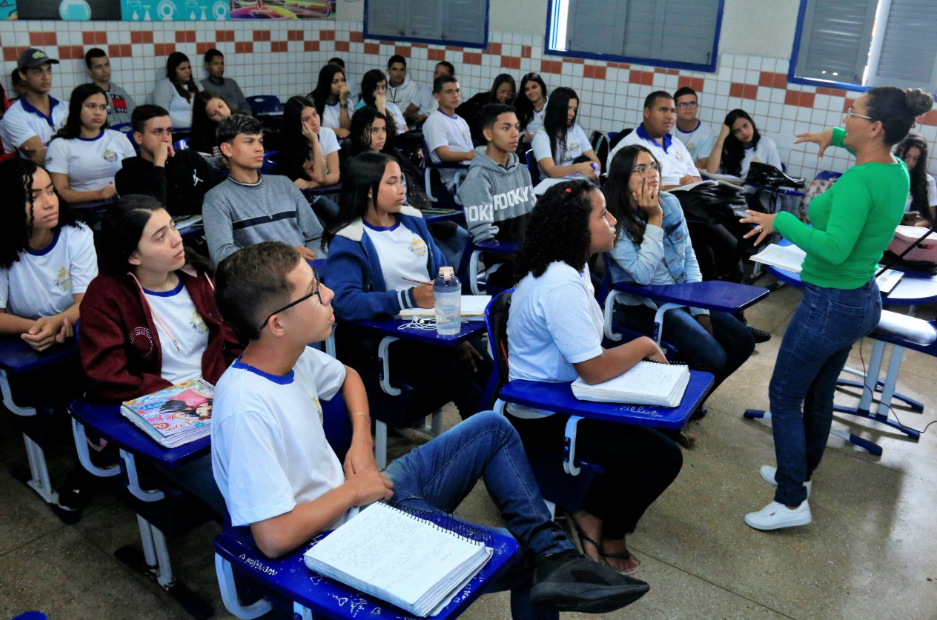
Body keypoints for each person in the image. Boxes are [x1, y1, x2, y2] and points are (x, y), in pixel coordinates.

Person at [211, 240, 650, 618]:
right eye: (313, 291)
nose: (329, 293)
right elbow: (273, 538)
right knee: (521, 557)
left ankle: (555, 553)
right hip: (336, 541)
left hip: (362, 501)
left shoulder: (292, 354)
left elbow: (349, 376)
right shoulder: (245, 407)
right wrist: (353, 492)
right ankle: (550, 557)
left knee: (491, 426)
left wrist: (361, 442)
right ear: (277, 324)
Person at [740, 87, 934, 531]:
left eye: (853, 113)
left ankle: (791, 501)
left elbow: (833, 248)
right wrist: (835, 136)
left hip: (829, 305)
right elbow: (865, 147)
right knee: (818, 393)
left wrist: (781, 221)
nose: (845, 118)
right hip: (859, 299)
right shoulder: (896, 171)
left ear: (876, 127)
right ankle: (801, 475)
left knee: (784, 396)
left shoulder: (859, 182)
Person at [507, 180, 682, 576]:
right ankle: (604, 525)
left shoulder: (574, 265)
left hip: (568, 393)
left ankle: (588, 505)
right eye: (602, 214)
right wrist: (642, 345)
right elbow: (594, 368)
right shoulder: (559, 283)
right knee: (663, 458)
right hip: (545, 412)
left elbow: (590, 354)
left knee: (661, 433)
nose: (614, 221)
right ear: (576, 228)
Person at [79, 195, 242, 516]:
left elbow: (232, 344)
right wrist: (187, 400)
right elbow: (107, 376)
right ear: (133, 256)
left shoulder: (198, 276)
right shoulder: (106, 296)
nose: (177, 239)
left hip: (220, 402)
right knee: (241, 498)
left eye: (173, 227)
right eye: (160, 236)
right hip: (166, 417)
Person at [325, 151, 489, 418]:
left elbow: (441, 272)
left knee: (490, 372)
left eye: (401, 180)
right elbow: (343, 301)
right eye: (391, 182)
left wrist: (454, 326)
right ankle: (487, 438)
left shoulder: (412, 220)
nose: (402, 189)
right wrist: (408, 298)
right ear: (368, 190)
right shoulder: (349, 239)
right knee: (468, 390)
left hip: (435, 324)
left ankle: (506, 436)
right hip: (395, 337)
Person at [604, 145, 754, 393]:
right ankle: (676, 400)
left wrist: (700, 309)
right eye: (640, 169)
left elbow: (689, 260)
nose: (652, 173)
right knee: (714, 357)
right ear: (623, 179)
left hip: (680, 294)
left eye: (654, 166)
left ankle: (692, 399)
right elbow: (642, 276)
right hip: (641, 304)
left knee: (743, 341)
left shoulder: (670, 203)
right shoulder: (614, 219)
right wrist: (655, 218)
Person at [0, 158, 96, 351]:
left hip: (75, 333)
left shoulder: (77, 234)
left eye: (51, 191)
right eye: (33, 197)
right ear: (9, 203)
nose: (50, 203)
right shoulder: (3, 245)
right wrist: (41, 329)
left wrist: (57, 322)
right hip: (20, 342)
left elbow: (87, 302)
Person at [203, 115, 326, 264]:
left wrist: (314, 265)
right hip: (264, 277)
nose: (259, 148)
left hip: (308, 271)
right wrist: (284, 257)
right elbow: (222, 257)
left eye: (260, 141)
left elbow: (316, 236)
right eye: (249, 142)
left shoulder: (285, 184)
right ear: (227, 149)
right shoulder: (217, 198)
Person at [458, 104, 535, 288]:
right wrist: (529, 257)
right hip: (502, 267)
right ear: (488, 134)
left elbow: (535, 221)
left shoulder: (522, 171)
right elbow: (485, 242)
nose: (515, 134)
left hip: (528, 257)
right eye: (506, 128)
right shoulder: (478, 179)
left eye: (516, 127)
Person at [116, 105, 222, 217]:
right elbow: (152, 215)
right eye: (157, 132)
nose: (166, 138)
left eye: (169, 131)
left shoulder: (190, 158)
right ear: (139, 137)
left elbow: (221, 193)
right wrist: (159, 164)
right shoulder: (127, 176)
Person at [45, 84, 136, 205]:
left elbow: (135, 179)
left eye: (103, 107)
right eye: (91, 106)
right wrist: (96, 194)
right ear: (76, 108)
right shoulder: (60, 145)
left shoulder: (119, 138)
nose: (98, 112)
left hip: (124, 206)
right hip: (84, 210)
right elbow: (59, 192)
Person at [607, 91, 701, 189]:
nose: (670, 116)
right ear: (647, 113)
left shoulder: (677, 143)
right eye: (663, 110)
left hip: (689, 194)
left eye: (673, 111)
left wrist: (693, 182)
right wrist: (681, 188)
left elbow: (698, 179)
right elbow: (631, 188)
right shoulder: (630, 146)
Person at [278, 95, 341, 222]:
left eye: (315, 114)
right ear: (296, 123)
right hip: (295, 200)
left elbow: (335, 175)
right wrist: (315, 141)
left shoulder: (327, 134)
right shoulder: (290, 144)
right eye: (306, 119)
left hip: (313, 196)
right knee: (320, 227)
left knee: (341, 220)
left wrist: (310, 184)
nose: (314, 121)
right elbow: (321, 178)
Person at [0, 48, 67, 164]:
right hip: (42, 174)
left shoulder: (66, 107)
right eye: (38, 72)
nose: (46, 77)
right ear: (23, 75)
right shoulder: (14, 116)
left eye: (48, 70)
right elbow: (38, 156)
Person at [531, 87, 600, 181]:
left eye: (574, 110)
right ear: (556, 108)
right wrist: (578, 168)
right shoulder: (541, 136)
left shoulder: (576, 130)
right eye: (568, 108)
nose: (572, 114)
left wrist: (594, 170)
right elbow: (550, 170)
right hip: (553, 185)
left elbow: (595, 160)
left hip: (578, 182)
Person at [422, 75, 475, 193]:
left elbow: (471, 152)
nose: (455, 95)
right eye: (449, 92)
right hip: (456, 180)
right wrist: (469, 155)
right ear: (437, 96)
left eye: (457, 91)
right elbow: (444, 155)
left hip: (470, 173)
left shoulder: (461, 121)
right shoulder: (435, 121)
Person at [705, 109, 781, 179]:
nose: (744, 132)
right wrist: (722, 136)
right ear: (732, 134)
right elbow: (711, 170)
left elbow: (777, 177)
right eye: (737, 131)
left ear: (751, 123)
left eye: (745, 125)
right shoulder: (728, 148)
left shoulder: (766, 144)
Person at [85, 48, 136, 128]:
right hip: (105, 134)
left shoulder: (120, 92)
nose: (105, 70)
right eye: (99, 67)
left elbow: (136, 116)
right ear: (90, 71)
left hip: (127, 133)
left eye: (107, 65)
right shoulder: (88, 95)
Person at [456, 74, 517, 140]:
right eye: (502, 91)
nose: (505, 95)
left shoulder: (512, 107)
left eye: (510, 93)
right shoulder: (480, 99)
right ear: (496, 89)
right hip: (475, 137)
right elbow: (460, 111)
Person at [895, 133, 936, 225]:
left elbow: (930, 218)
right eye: (907, 156)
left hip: (911, 231)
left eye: (916, 159)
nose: (910, 162)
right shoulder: (889, 175)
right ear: (900, 153)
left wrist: (910, 228)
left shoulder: (928, 182)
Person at [152, 52, 199, 129]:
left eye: (189, 67)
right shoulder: (164, 86)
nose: (187, 71)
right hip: (175, 130)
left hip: (197, 128)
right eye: (182, 69)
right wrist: (188, 125)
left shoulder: (197, 85)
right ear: (173, 71)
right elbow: (162, 115)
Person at [671, 86, 715, 168]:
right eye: (682, 104)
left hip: (692, 174)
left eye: (692, 103)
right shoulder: (666, 127)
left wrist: (676, 168)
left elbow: (703, 164)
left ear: (697, 107)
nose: (688, 108)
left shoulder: (706, 132)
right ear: (675, 108)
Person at [199, 49, 252, 116]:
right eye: (216, 63)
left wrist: (244, 118)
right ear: (207, 65)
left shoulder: (231, 83)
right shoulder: (202, 86)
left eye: (222, 63)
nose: (220, 67)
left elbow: (244, 105)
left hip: (237, 119)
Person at [355, 69, 408, 134]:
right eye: (376, 88)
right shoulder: (362, 109)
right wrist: (381, 109)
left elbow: (406, 130)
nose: (381, 92)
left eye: (383, 87)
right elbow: (383, 134)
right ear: (368, 90)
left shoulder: (392, 106)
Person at [308, 64, 352, 140]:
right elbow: (308, 128)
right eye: (335, 82)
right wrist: (333, 131)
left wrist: (343, 101)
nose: (341, 85)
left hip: (340, 144)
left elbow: (345, 131)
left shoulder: (347, 102)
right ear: (326, 83)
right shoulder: (311, 102)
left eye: (342, 80)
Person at [404, 61, 454, 126]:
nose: (438, 76)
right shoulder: (424, 91)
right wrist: (416, 117)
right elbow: (407, 112)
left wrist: (429, 119)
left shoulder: (452, 98)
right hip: (418, 128)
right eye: (436, 73)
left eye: (442, 74)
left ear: (450, 78)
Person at [189, 91, 232, 155]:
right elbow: (204, 160)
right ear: (206, 118)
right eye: (213, 114)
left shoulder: (242, 122)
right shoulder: (203, 137)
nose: (221, 113)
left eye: (221, 106)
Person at [516, 73, 549, 143]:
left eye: (534, 87)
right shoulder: (522, 107)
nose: (531, 92)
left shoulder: (551, 105)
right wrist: (523, 136)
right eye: (527, 89)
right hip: (527, 146)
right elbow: (516, 130)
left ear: (542, 87)